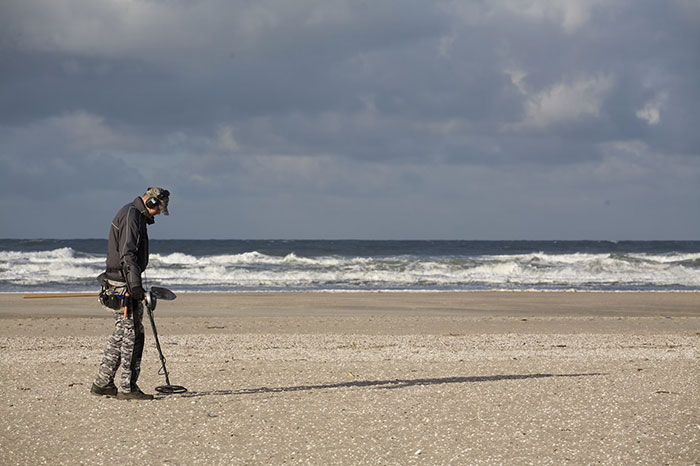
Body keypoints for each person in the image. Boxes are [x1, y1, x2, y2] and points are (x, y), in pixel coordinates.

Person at [91, 187, 170, 400]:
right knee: (133, 334)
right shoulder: (132, 216)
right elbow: (128, 254)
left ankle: (102, 383)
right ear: (151, 202)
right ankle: (128, 388)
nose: (158, 214)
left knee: (122, 333)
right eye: (158, 209)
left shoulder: (132, 214)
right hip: (123, 284)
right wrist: (134, 287)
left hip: (119, 281)